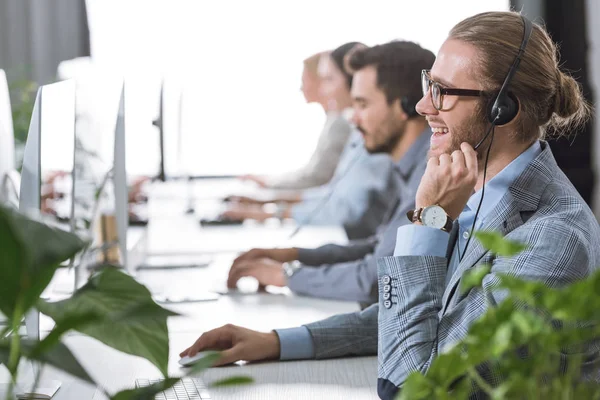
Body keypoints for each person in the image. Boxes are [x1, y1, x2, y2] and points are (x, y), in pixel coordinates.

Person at [181, 11, 600, 399]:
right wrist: (277, 342)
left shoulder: (550, 240)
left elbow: (410, 388)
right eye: (427, 83)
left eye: (443, 92)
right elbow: (415, 313)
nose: (422, 106)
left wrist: (427, 222)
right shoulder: (480, 194)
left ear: (502, 109)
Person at [227, 40, 436, 305]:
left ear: (407, 106)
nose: (352, 118)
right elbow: (379, 247)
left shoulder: (431, 173)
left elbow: (375, 278)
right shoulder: (410, 167)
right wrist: (294, 255)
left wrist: (288, 275)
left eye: (362, 104)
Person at [223, 42, 405, 240]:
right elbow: (333, 193)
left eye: (328, 80)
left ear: (353, 82)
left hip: (357, 241)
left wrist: (269, 210)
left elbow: (342, 205)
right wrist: (266, 203)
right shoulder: (355, 130)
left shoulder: (372, 136)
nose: (323, 89)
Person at [242, 47, 355, 190]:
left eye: (304, 80)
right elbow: (311, 172)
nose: (301, 87)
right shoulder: (334, 120)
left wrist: (270, 186)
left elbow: (317, 178)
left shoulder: (341, 123)